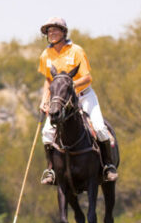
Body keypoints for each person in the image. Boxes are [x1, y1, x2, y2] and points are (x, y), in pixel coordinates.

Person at [37, 17, 118, 184]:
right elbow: (48, 80)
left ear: (64, 32)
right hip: (60, 101)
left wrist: (69, 85)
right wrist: (44, 100)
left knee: (100, 128)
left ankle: (108, 166)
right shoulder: (46, 54)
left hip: (84, 96)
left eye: (55, 30)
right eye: (49, 31)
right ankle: (51, 170)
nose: (52, 33)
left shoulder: (76, 51)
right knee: (46, 133)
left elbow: (88, 78)